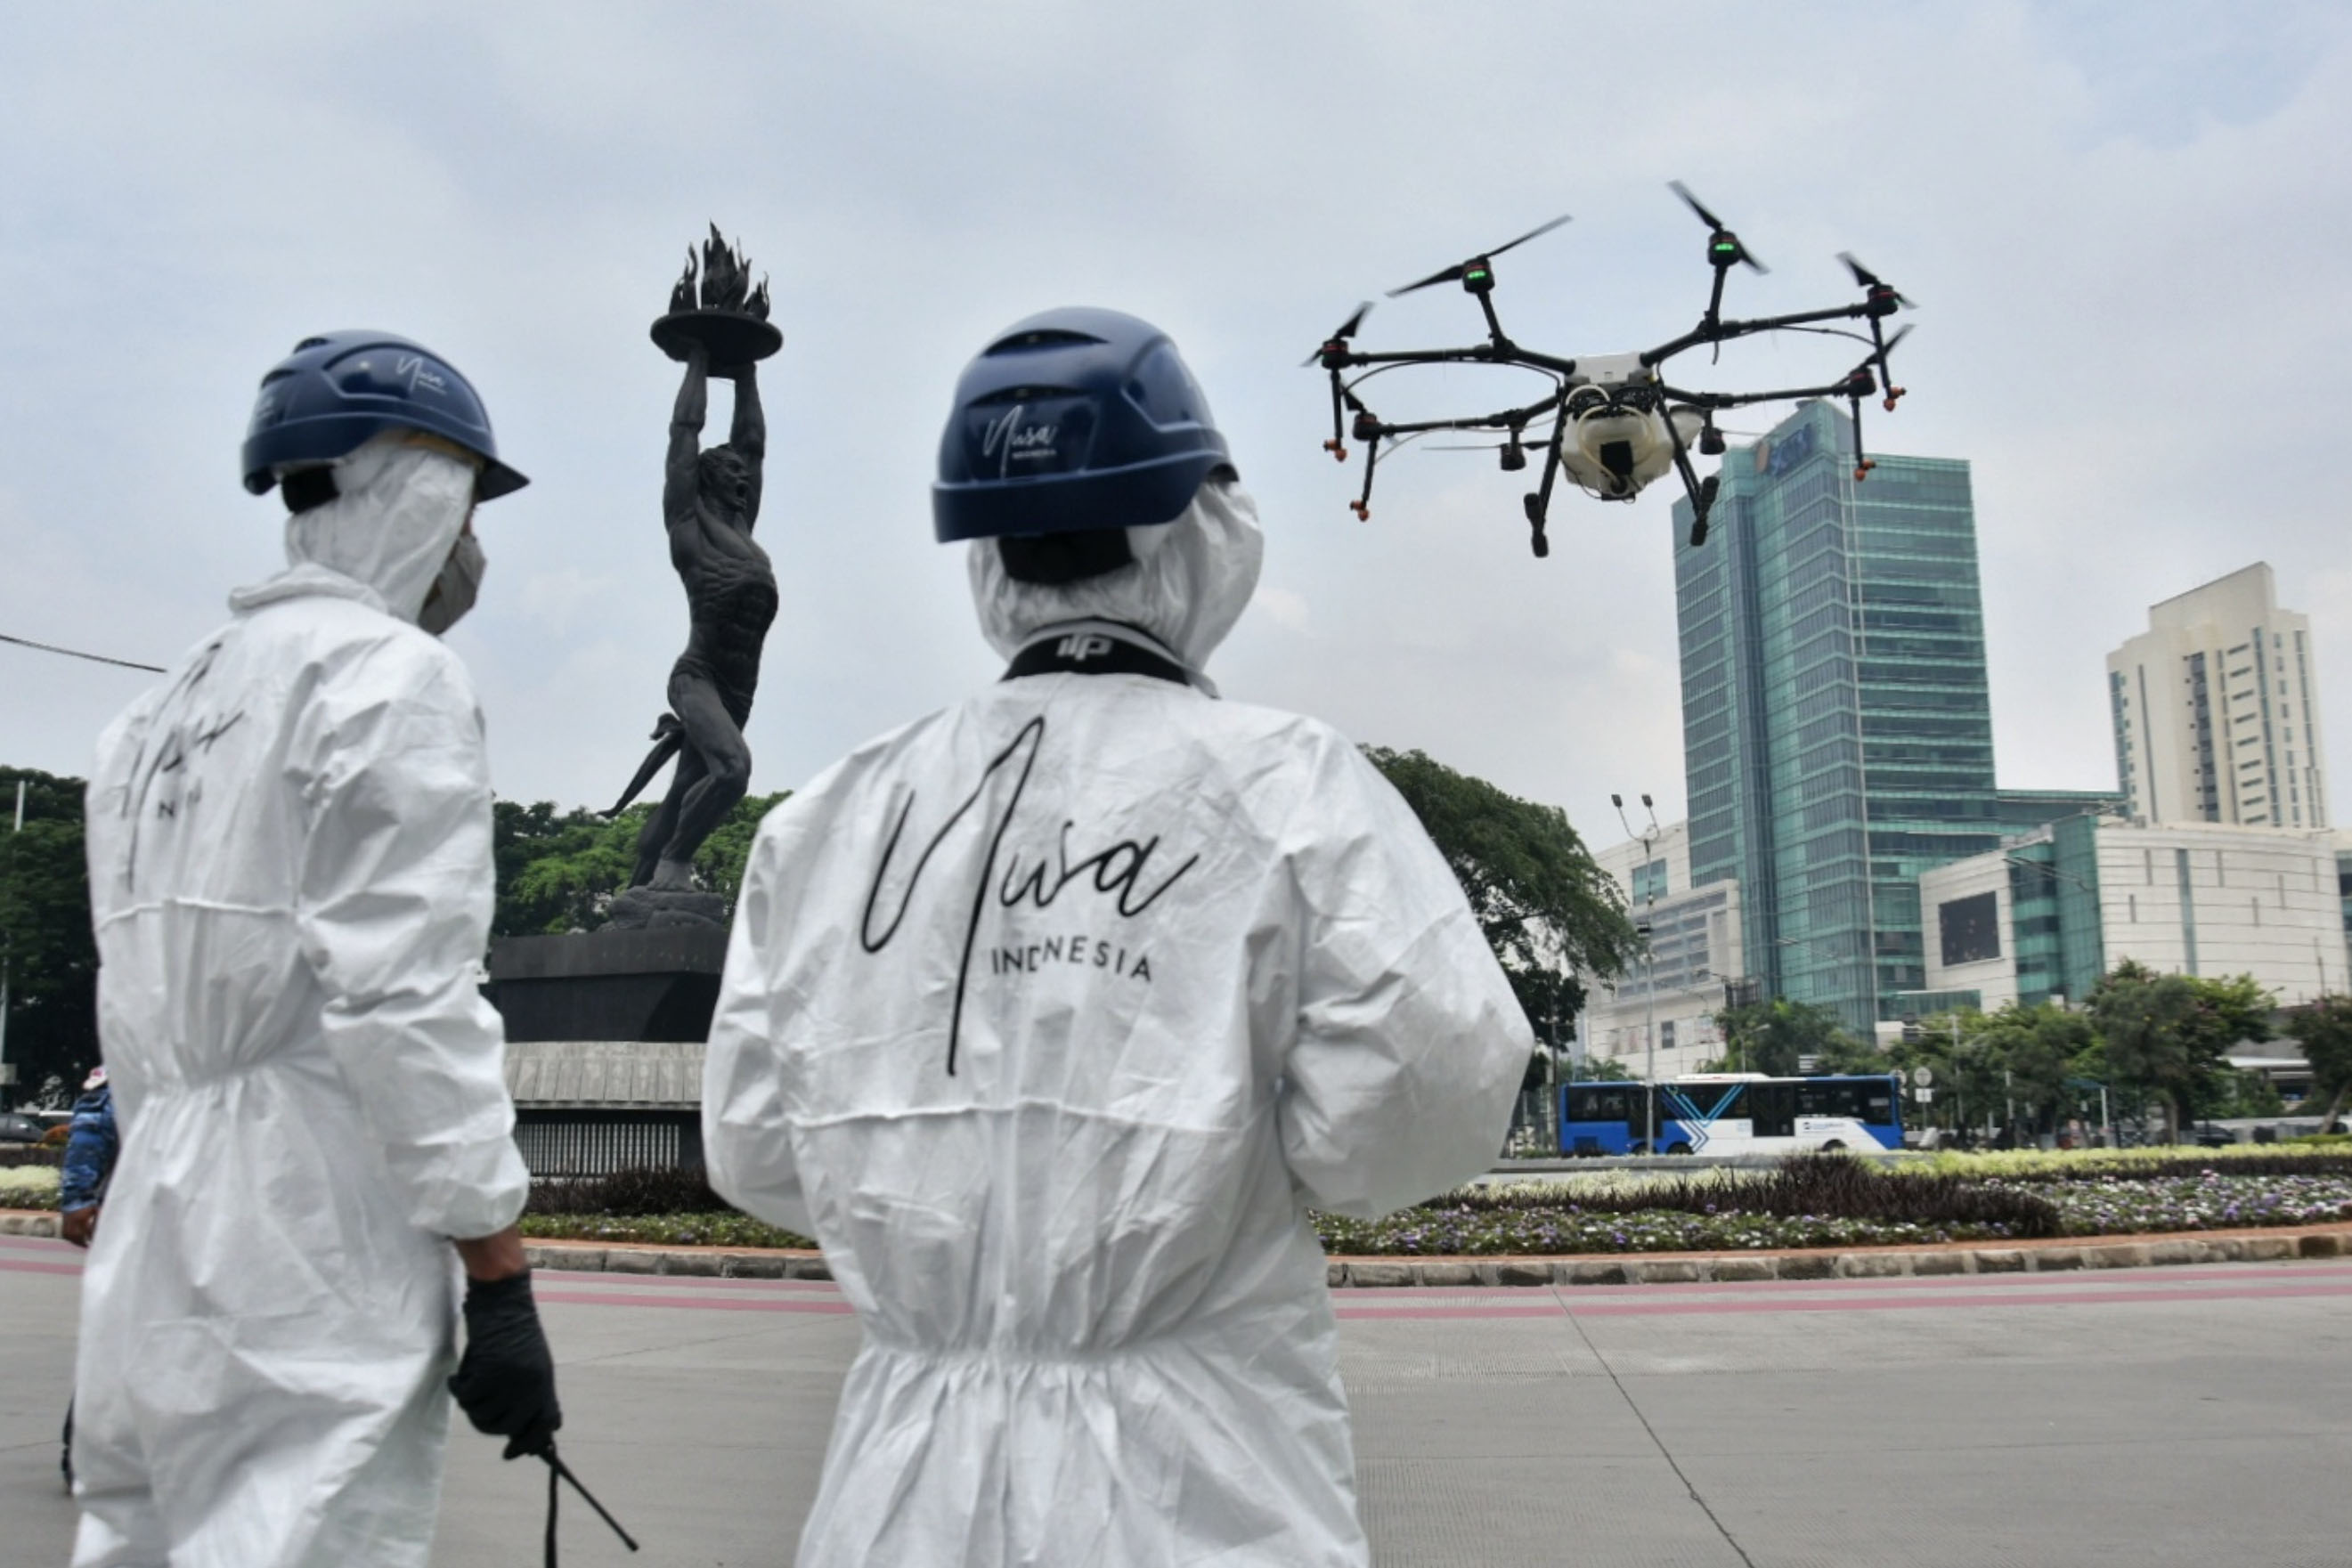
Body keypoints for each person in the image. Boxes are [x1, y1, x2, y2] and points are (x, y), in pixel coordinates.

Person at [703, 308, 1531, 1564]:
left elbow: (759, 1147)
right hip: (1199, 1481)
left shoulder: (832, 818)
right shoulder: (1285, 786)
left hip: (899, 1490)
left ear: (984, 552)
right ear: (1196, 529)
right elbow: (1429, 1090)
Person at [71, 330, 561, 1568]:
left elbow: (131, 1006)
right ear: (422, 484)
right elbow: (404, 991)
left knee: (137, 1535)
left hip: (158, 1207)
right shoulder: (388, 678)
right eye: (467, 505)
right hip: (311, 1220)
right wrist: (495, 1264)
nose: (470, 549)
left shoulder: (155, 713)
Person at [58, 1065, 119, 1490]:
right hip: (147, 1218)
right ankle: (83, 1447)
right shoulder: (151, 1047)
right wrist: (78, 1195)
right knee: (122, 1336)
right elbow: (96, 1118)